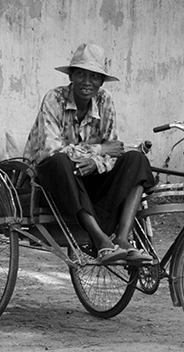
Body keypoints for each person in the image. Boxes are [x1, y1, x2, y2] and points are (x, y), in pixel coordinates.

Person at [20, 43, 155, 265]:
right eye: (81, 74)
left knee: (136, 159)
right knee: (61, 162)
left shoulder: (105, 101)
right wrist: (98, 151)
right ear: (71, 76)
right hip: (51, 182)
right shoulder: (54, 99)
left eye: (94, 76)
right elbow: (52, 150)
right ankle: (100, 240)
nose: (87, 82)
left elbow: (114, 150)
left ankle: (121, 238)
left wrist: (95, 162)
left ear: (101, 81)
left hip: (88, 180)